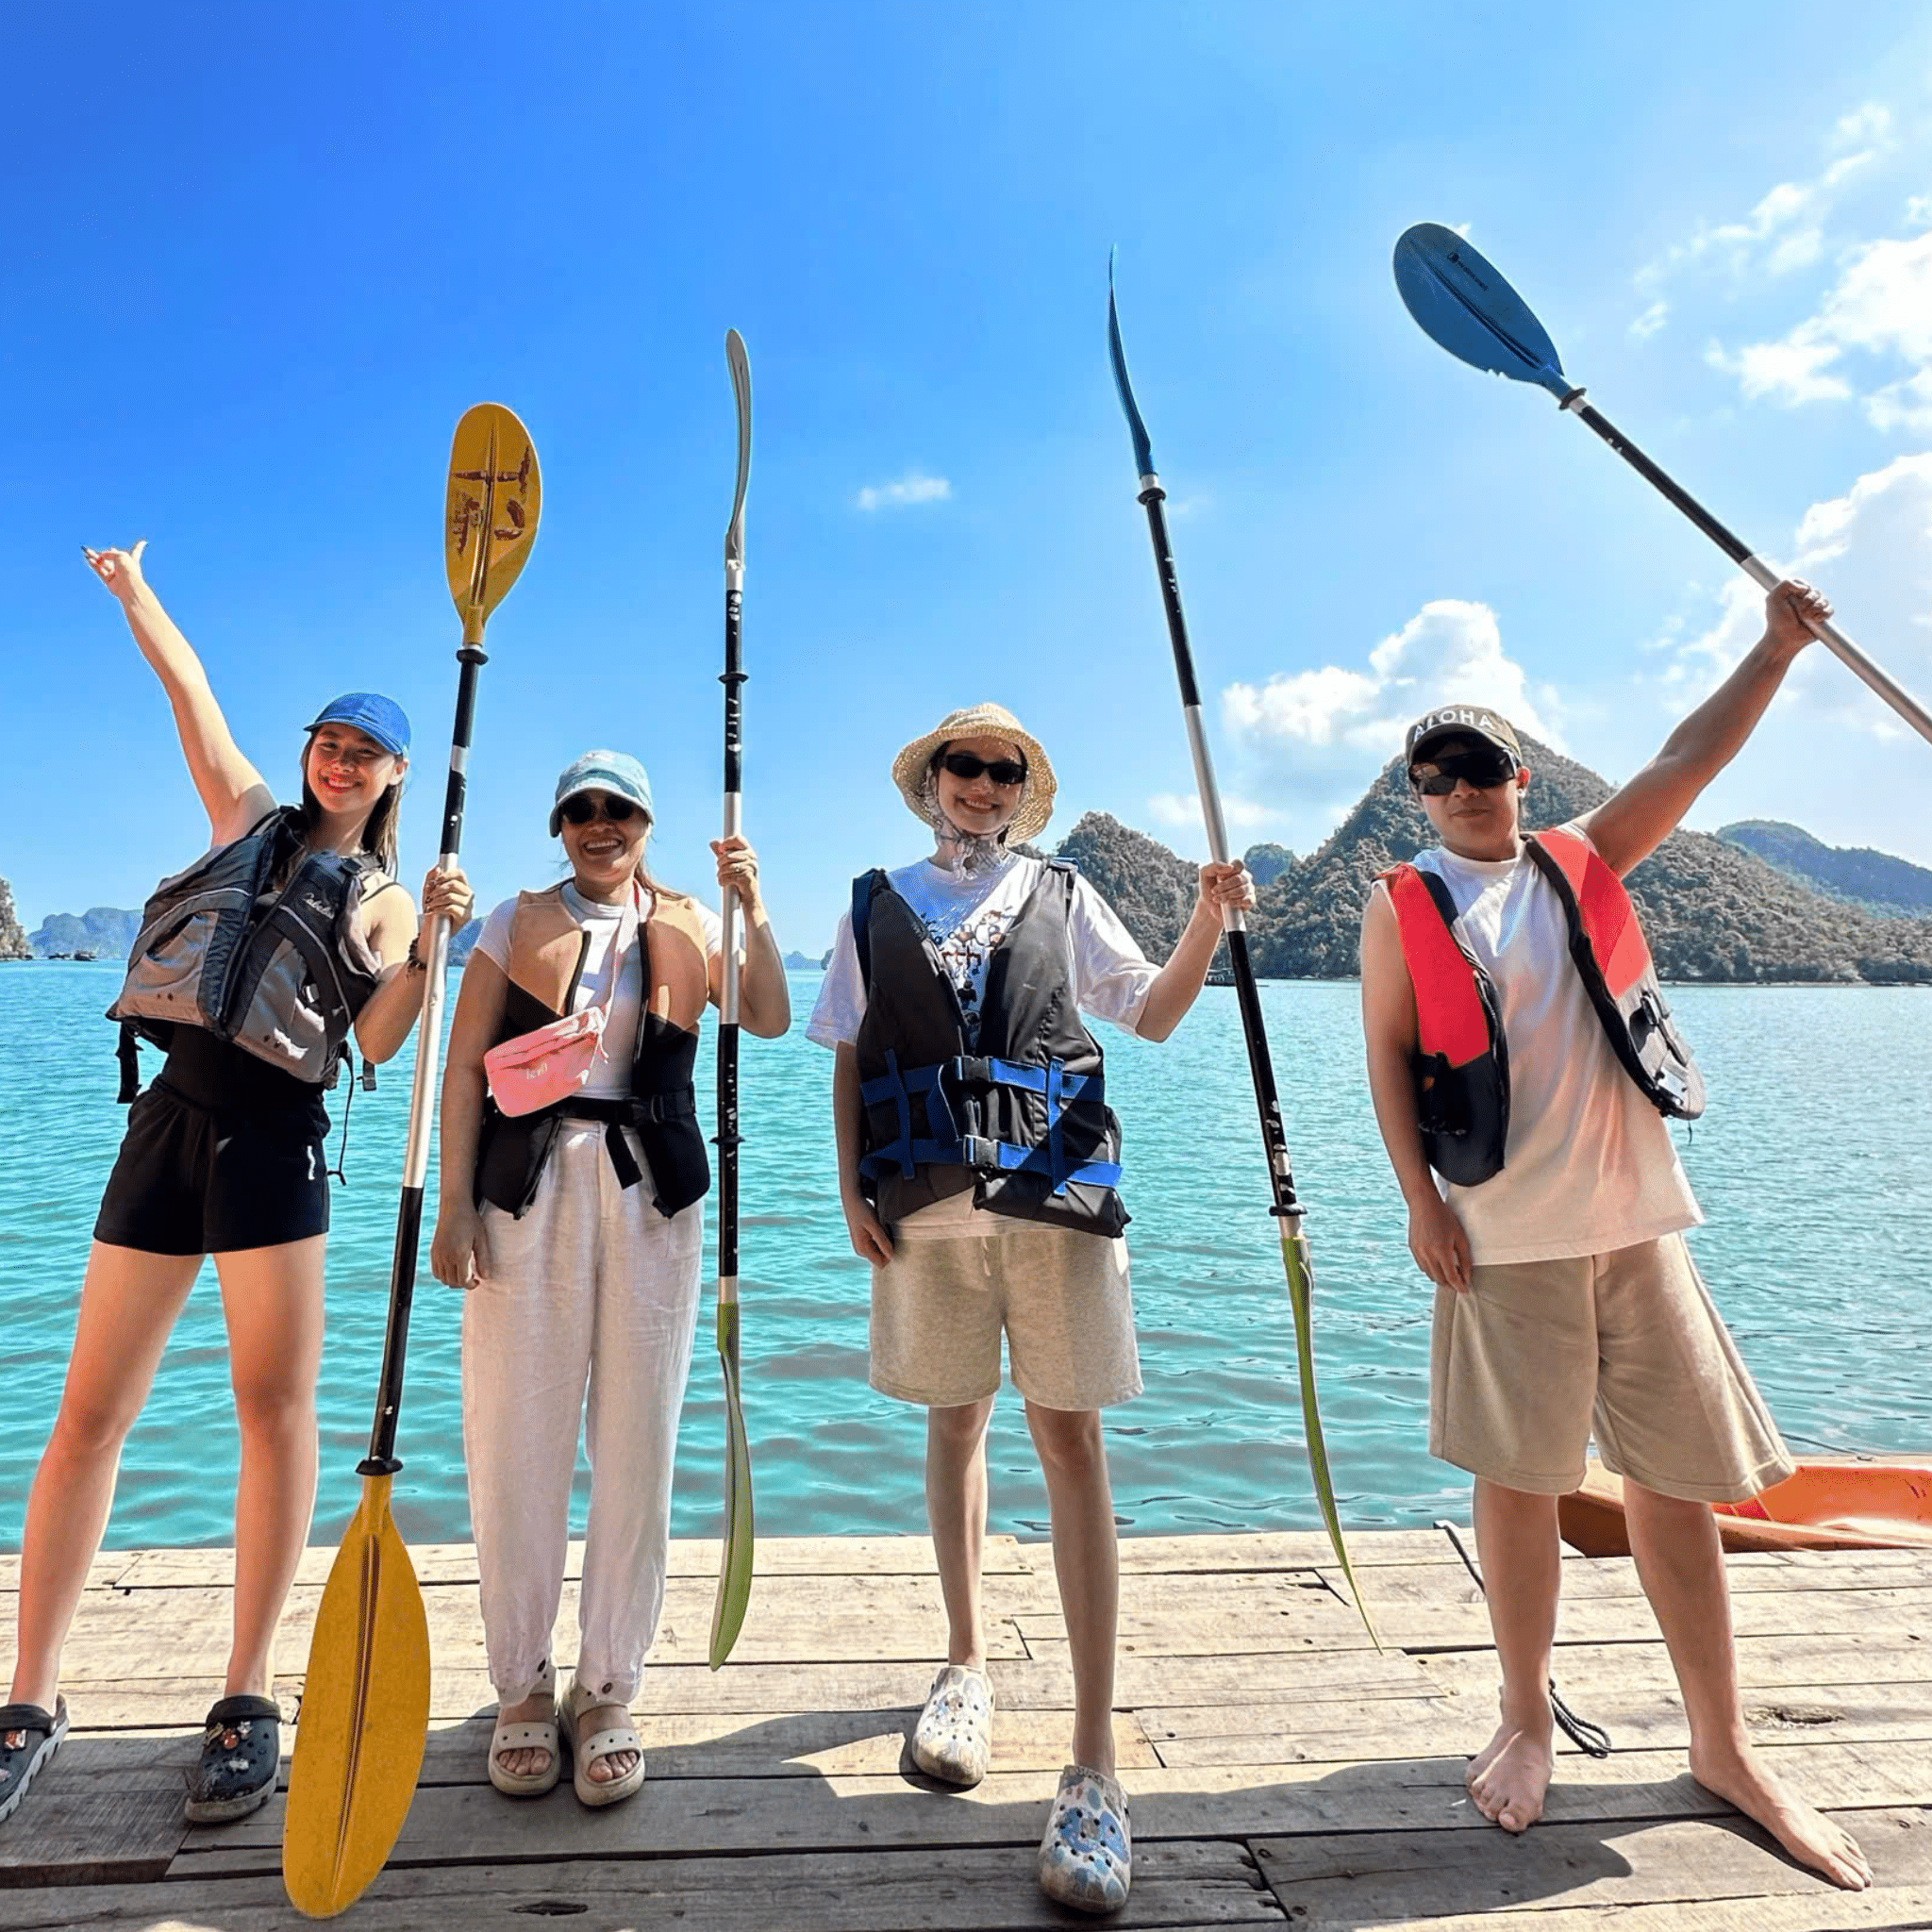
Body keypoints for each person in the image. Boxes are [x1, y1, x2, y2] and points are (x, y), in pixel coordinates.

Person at [1357, 579, 1871, 1891]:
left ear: (1520, 776)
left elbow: (1688, 759)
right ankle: (1525, 1717)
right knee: (1518, 1486)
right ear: (1419, 795)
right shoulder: (1400, 904)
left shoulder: (1575, 861)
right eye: (1436, 772)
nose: (1462, 787)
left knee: (1675, 1485)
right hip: (1502, 1239)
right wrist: (1422, 1207)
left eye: (1481, 765)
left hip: (1639, 1231)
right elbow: (1390, 1060)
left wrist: (1773, 646)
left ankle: (1722, 1746)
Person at [2, 542, 471, 1828]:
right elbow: (187, 693)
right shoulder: (245, 814)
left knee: (271, 1416)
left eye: (361, 754)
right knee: (88, 1412)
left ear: (392, 779)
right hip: (166, 1127)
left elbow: (378, 1046)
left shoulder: (382, 900)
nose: (335, 763)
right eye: (327, 741)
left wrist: (431, 948)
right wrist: (132, 593)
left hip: (275, 1145)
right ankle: (29, 1695)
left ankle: (247, 1696)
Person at [808, 704, 1253, 1915]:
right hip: (921, 1209)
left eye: (1002, 771)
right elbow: (847, 1049)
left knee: (1070, 1441)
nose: (980, 784)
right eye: (962, 765)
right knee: (952, 1421)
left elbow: (1150, 1012)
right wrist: (850, 1181)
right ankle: (962, 1665)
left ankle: (1095, 1758)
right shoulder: (871, 898)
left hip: (1055, 1208)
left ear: (1021, 791)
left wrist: (1207, 921)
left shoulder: (1064, 890)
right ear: (929, 781)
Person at [429, 751, 789, 1807]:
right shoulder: (511, 920)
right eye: (579, 809)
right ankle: (520, 1686)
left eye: (617, 808)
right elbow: (460, 1068)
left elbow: (762, 1015)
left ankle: (608, 1686)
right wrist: (454, 1206)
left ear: (645, 820)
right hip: (525, 1194)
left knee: (636, 1440)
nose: (598, 824)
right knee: (514, 1438)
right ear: (558, 824)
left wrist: (752, 907)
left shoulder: (687, 917)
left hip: (650, 1199)